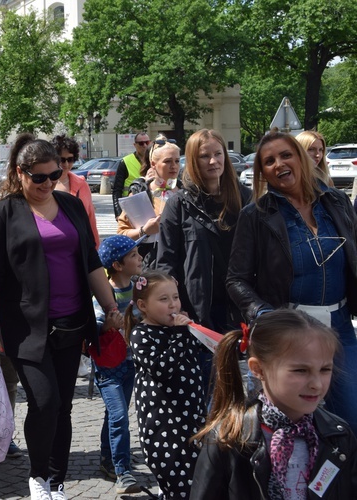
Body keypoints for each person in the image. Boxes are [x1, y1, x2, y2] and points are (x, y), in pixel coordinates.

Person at [0, 133, 120, 500]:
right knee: (44, 402)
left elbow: (91, 262)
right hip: (25, 327)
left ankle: (56, 480)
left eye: (53, 175)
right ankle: (37, 477)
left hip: (72, 322)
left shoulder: (70, 206)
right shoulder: (2, 213)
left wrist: (112, 308)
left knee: (64, 407)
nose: (46, 183)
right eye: (38, 177)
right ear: (20, 173)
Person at [227, 131, 357, 432]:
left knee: (350, 419)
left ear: (301, 158)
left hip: (339, 327)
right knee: (290, 422)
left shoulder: (336, 202)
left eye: (286, 155)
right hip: (290, 330)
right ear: (263, 174)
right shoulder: (257, 215)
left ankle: (342, 479)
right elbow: (236, 279)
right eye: (269, 161)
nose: (279, 164)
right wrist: (263, 313)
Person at [191, 309, 357, 499]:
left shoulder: (338, 436)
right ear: (258, 369)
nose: (317, 384)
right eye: (300, 371)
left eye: (325, 369)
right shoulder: (230, 439)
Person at [158, 129, 252, 332]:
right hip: (196, 313)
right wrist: (174, 306)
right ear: (193, 160)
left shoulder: (247, 199)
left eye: (218, 154)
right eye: (204, 156)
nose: (213, 161)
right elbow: (165, 263)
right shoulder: (178, 204)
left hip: (242, 309)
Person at [125, 271, 205, 499]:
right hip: (165, 428)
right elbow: (162, 369)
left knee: (197, 484)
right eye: (163, 299)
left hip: (192, 421)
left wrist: (195, 332)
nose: (173, 305)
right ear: (143, 305)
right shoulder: (141, 334)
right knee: (178, 484)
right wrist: (181, 335)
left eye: (176, 297)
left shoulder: (179, 331)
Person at [93, 235, 145, 493]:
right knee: (120, 415)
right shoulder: (105, 292)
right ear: (118, 265)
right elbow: (95, 324)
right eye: (134, 255)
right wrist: (105, 326)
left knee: (114, 414)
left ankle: (107, 459)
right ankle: (123, 471)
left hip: (131, 364)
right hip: (108, 368)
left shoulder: (139, 287)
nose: (141, 258)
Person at [117, 137, 181, 269]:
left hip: (182, 264)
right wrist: (144, 230)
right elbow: (122, 234)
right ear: (153, 164)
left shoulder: (186, 192)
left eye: (177, 161)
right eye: (167, 161)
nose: (174, 166)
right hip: (150, 266)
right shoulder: (140, 193)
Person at [51, 134, 99, 248]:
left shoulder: (82, 185)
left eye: (70, 159)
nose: (66, 164)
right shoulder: (45, 184)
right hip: (55, 245)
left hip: (80, 245)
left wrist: (96, 247)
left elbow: (90, 219)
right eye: (61, 160)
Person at [112, 132, 151, 218]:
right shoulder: (125, 162)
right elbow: (117, 189)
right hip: (130, 207)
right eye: (141, 143)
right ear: (135, 145)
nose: (144, 145)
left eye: (147, 142)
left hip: (151, 205)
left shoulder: (155, 160)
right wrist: (118, 213)